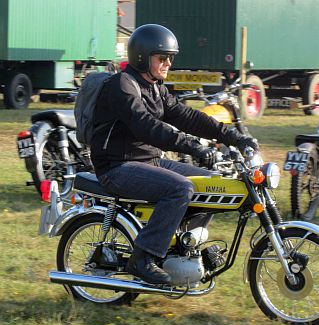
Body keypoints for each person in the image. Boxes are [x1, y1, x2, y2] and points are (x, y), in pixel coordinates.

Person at [91, 24, 258, 285]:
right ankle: (143, 257)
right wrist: (192, 146)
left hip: (149, 161)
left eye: (171, 58)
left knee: (213, 184)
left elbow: (188, 117)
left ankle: (183, 248)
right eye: (162, 57)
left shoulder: (155, 87)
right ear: (141, 57)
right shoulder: (122, 85)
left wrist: (234, 137)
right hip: (117, 167)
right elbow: (145, 125)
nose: (169, 63)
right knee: (180, 188)